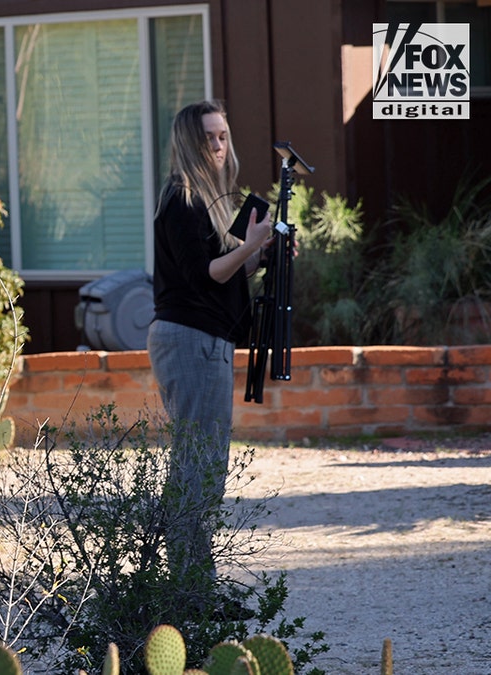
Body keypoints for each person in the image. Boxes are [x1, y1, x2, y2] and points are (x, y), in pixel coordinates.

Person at [147, 100, 272, 596]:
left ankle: (195, 582)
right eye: (208, 138)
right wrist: (250, 243)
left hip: (203, 337)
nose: (219, 146)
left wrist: (259, 253)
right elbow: (207, 274)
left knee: (204, 465)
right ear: (189, 141)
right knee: (198, 465)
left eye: (223, 136)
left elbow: (224, 273)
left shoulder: (204, 199)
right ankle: (190, 587)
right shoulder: (182, 197)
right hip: (190, 337)